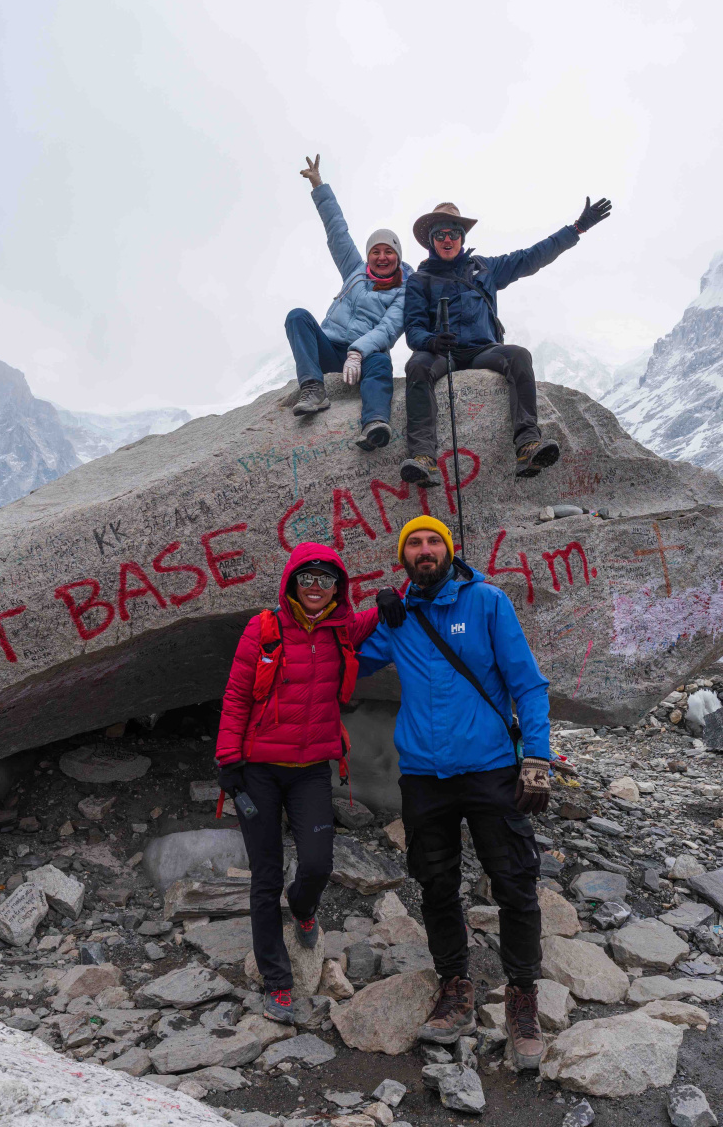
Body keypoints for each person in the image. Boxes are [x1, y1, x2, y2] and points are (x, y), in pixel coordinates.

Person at [359, 516, 553, 1072]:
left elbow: (528, 683)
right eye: (413, 544)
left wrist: (536, 759)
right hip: (423, 774)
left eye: (432, 542)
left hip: (491, 767)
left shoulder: (488, 602)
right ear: (404, 558)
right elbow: (347, 659)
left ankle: (522, 995)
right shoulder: (400, 617)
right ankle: (454, 985)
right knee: (436, 880)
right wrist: (372, 613)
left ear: (449, 551)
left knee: (515, 879)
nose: (424, 550)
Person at [215, 542, 381, 1022]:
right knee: (265, 876)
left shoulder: (342, 629)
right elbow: (236, 695)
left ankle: (303, 906)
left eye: (325, 579)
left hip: (310, 770)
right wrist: (228, 759)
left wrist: (406, 591)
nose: (314, 587)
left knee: (317, 863)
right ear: (291, 582)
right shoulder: (263, 628)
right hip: (258, 771)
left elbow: (399, 605)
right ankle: (278, 980)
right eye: (306, 578)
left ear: (338, 587)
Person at [398, 196, 612, 486]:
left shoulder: (485, 268)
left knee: (519, 355)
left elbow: (531, 257)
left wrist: (576, 229)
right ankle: (424, 458)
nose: (447, 239)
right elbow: (413, 330)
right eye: (440, 234)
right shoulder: (419, 280)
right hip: (439, 353)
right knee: (417, 366)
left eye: (454, 233)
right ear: (431, 241)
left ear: (462, 237)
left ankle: (527, 446)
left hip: (482, 351)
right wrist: (432, 341)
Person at [284, 154, 409, 451]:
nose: (381, 257)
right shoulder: (355, 270)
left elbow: (389, 329)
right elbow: (336, 230)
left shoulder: (406, 288)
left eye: (388, 252)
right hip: (330, 346)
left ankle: (375, 422)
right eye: (375, 251)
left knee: (380, 360)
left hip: (365, 354)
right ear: (368, 256)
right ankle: (314, 389)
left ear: (398, 257)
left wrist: (357, 352)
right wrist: (318, 186)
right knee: (297, 316)